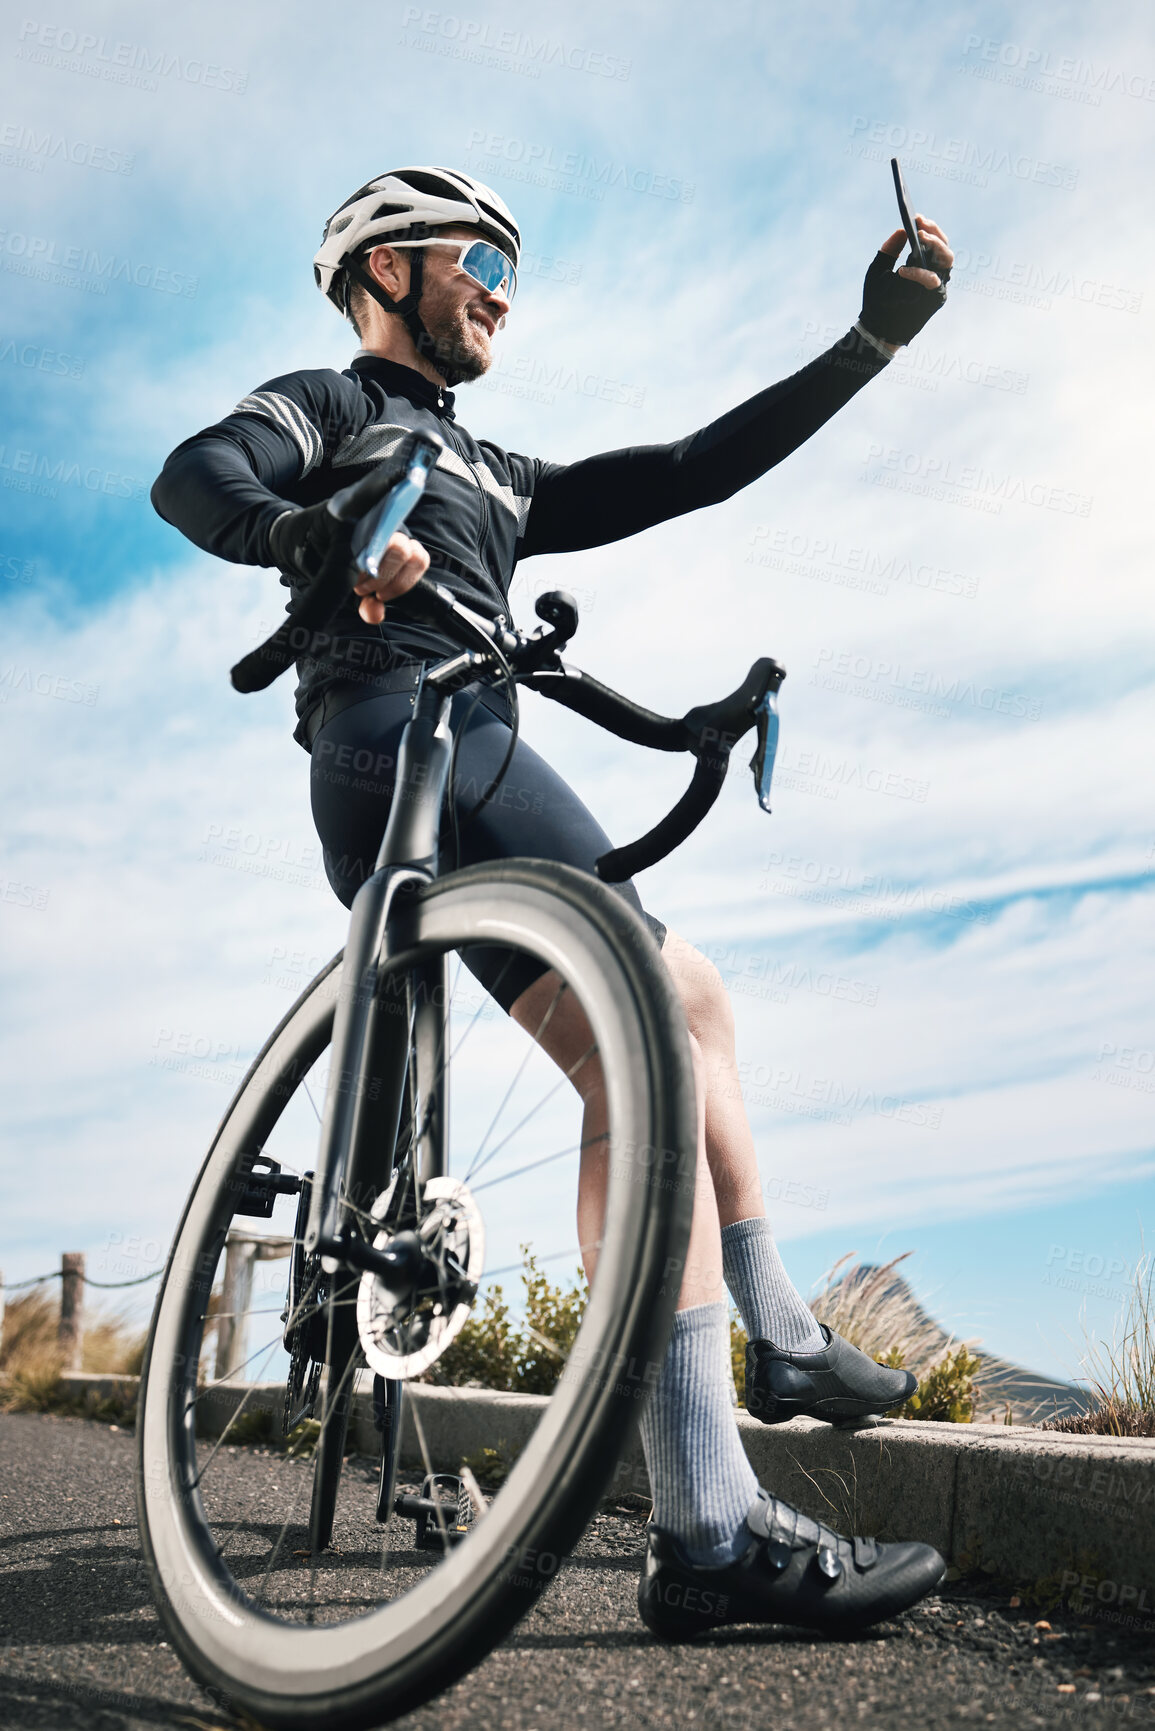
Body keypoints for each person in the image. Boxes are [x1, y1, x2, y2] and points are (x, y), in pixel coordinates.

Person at [152, 166, 955, 1639]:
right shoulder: (332, 409)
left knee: (689, 1000)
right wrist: (308, 539)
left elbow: (690, 470)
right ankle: (710, 1517)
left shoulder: (499, 473)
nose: (502, 284)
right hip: (403, 735)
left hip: (470, 740)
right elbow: (197, 474)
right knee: (643, 1028)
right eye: (474, 254)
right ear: (381, 272)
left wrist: (868, 348)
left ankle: (772, 1335)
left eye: (511, 260)